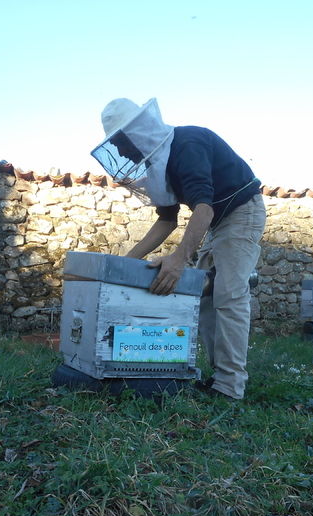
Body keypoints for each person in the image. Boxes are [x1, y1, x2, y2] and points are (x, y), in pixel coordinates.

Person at [90, 98, 266, 400]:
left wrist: (179, 259)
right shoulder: (161, 164)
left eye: (122, 142)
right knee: (208, 298)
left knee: (228, 293)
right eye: (117, 144)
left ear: (139, 131)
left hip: (241, 211)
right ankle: (219, 379)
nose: (121, 150)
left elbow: (204, 209)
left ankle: (230, 387)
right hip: (217, 222)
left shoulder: (187, 145)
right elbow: (166, 221)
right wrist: (122, 265)